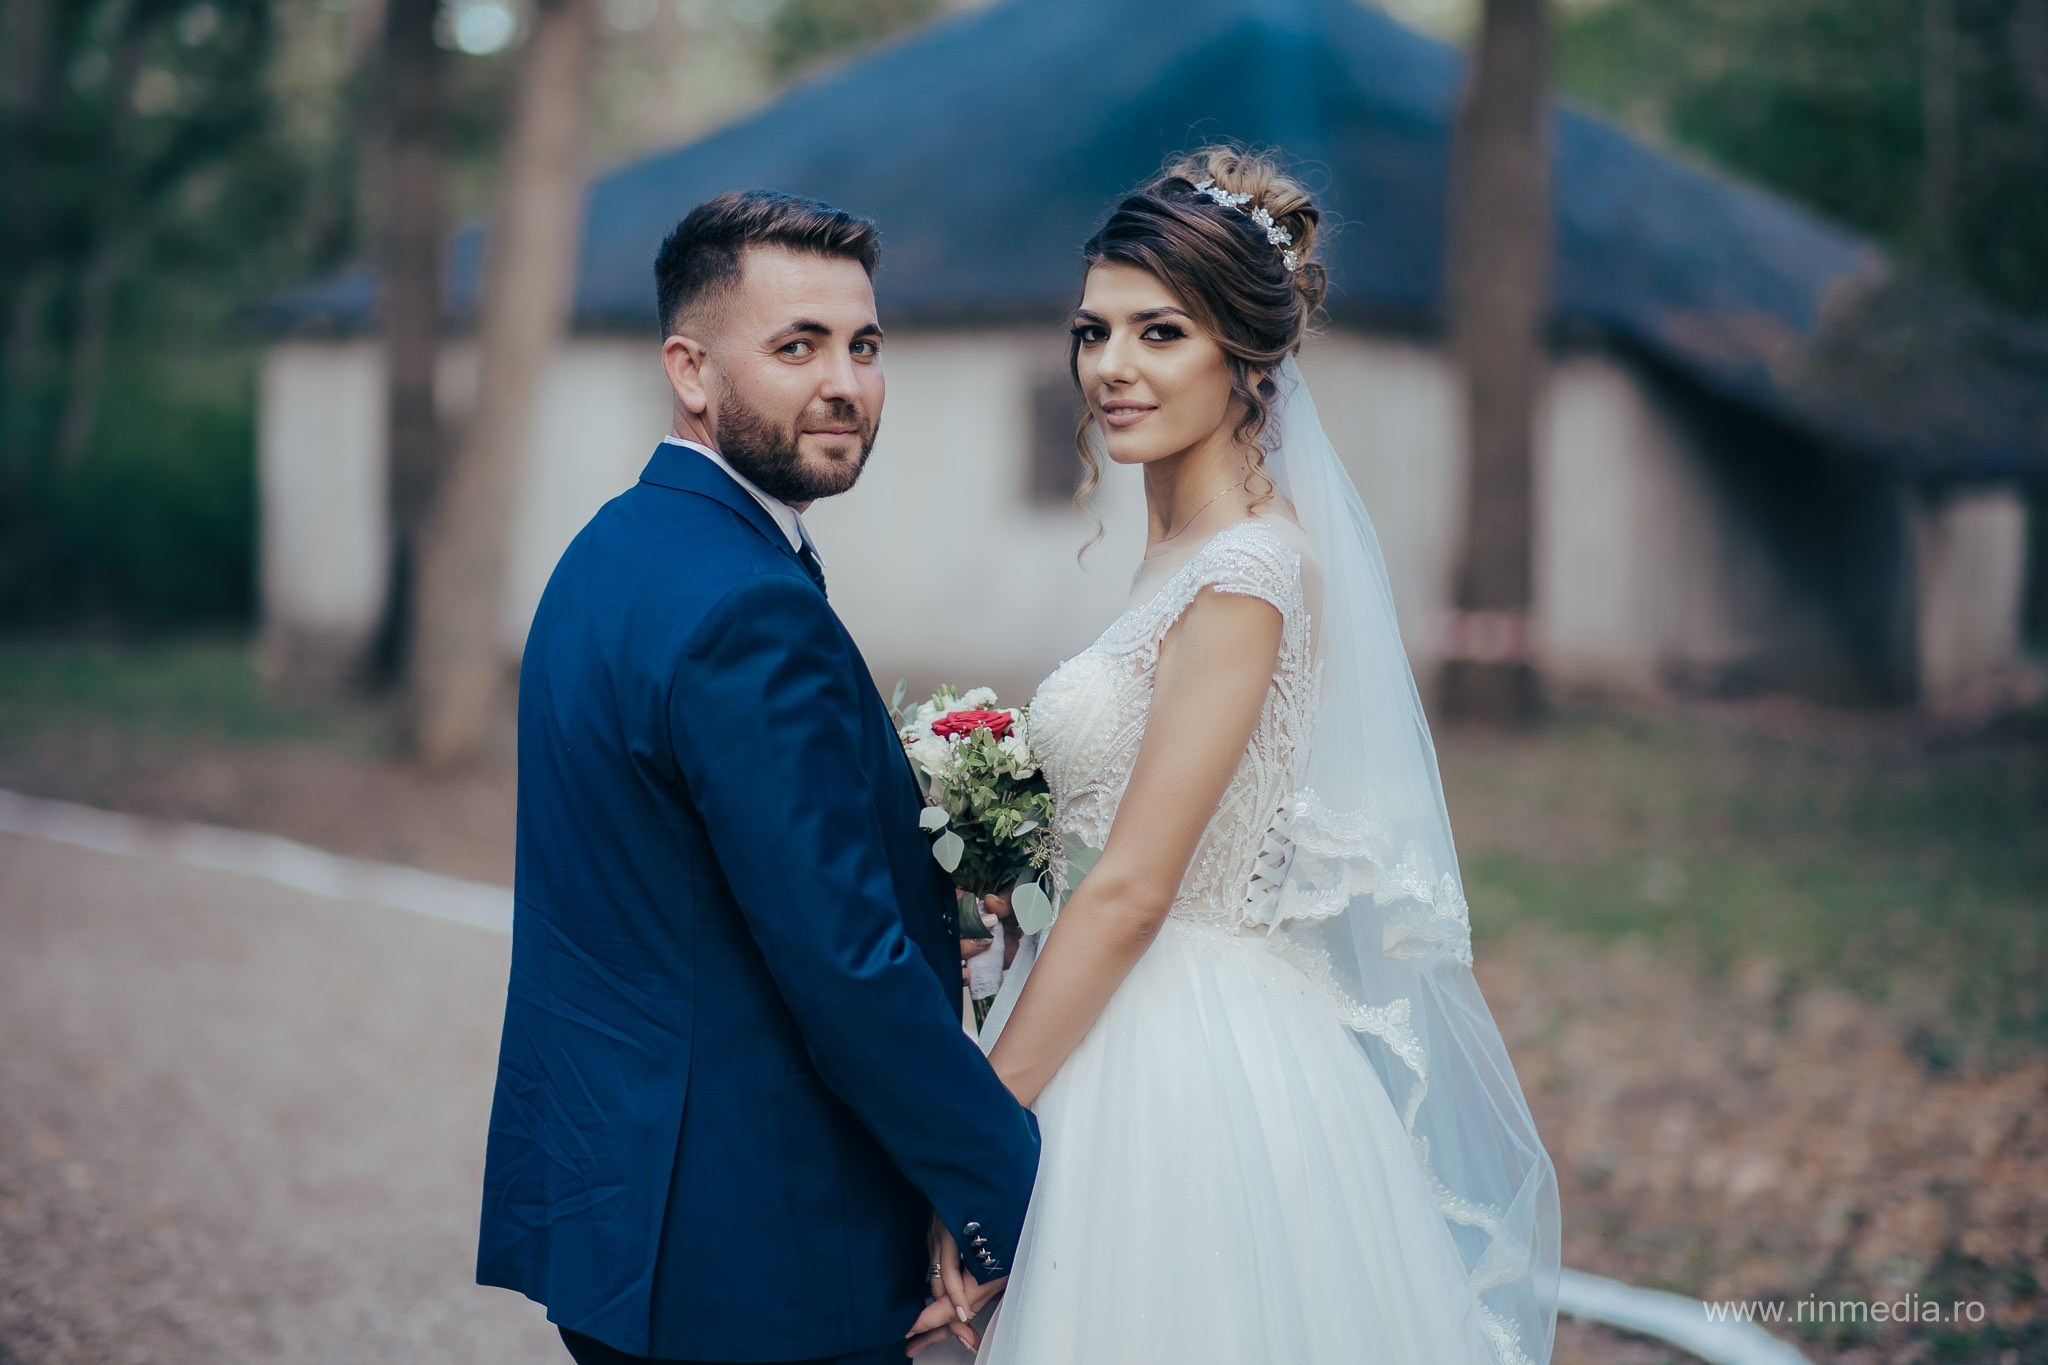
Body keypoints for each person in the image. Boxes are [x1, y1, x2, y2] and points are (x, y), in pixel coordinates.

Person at [909, 147, 1562, 1364]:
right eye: (1092, 331)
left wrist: (976, 1132)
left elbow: (1139, 887)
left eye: (1159, 332)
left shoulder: (1245, 573)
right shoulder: (1179, 554)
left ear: (1244, 356)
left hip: (1181, 1058)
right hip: (1114, 1006)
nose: (1111, 367)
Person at [476, 189, 1039, 1365]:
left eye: (863, 345)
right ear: (690, 370)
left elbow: (683, 878)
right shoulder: (748, 607)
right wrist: (1003, 1185)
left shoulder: (608, 553)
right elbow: (843, 967)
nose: (844, 381)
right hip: (752, 1248)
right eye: (797, 346)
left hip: (615, 1218)